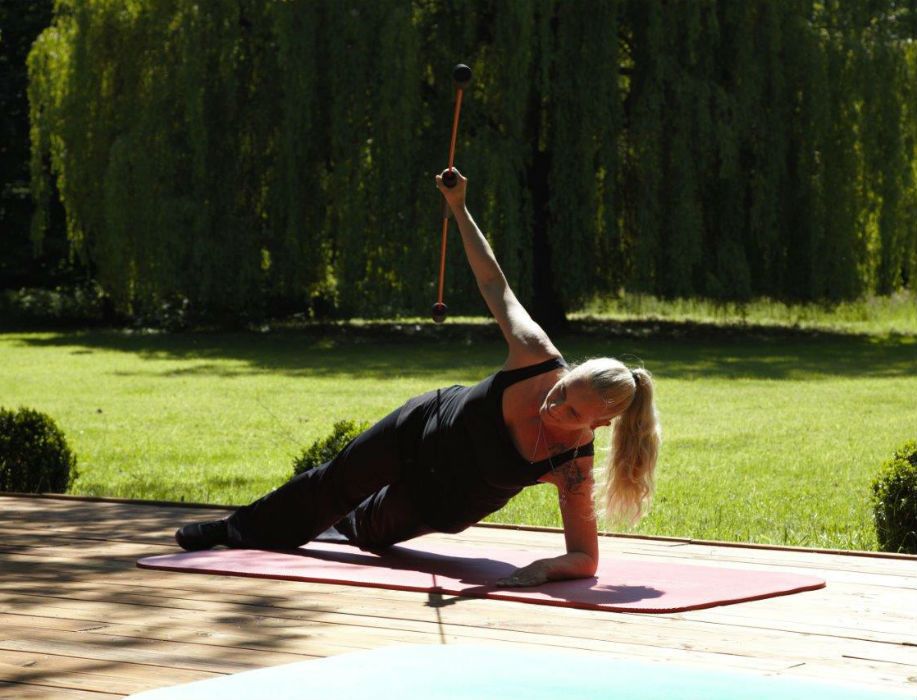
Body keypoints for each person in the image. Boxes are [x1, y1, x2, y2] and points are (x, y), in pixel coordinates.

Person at [175, 168, 661, 587]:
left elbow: (584, 558)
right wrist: (459, 208)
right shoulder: (536, 354)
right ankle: (234, 529)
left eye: (572, 412)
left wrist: (542, 568)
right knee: (336, 481)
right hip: (422, 427)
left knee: (364, 532)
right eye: (562, 392)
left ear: (598, 426)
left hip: (443, 501)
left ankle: (320, 524)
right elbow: (494, 283)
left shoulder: (572, 463)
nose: (553, 407)